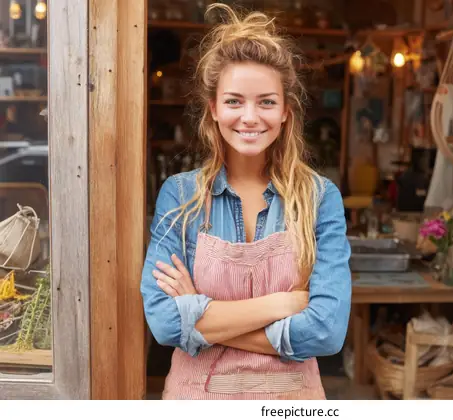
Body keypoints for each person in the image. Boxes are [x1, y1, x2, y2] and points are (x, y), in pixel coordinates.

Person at [140, 3, 352, 400]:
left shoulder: (320, 198)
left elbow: (326, 332)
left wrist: (201, 318)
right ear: (214, 109)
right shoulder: (181, 196)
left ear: (286, 111)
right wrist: (284, 303)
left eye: (266, 102)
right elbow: (166, 324)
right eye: (235, 101)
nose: (250, 117)